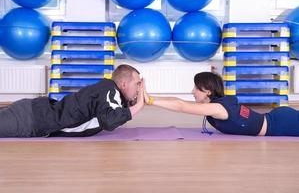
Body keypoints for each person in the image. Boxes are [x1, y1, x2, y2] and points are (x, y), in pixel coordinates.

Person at [0, 64, 144, 137]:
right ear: (124, 84)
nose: (139, 88)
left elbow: (118, 114)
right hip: (31, 119)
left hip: (34, 114)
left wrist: (140, 97)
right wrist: (139, 105)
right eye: (137, 84)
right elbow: (109, 120)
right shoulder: (109, 89)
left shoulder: (111, 95)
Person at [144, 71, 299, 136]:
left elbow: (181, 106)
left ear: (208, 91)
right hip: (275, 117)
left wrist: (150, 101)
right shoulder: (214, 105)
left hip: (280, 124)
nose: (192, 91)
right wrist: (149, 98)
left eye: (196, 88)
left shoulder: (217, 108)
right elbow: (179, 101)